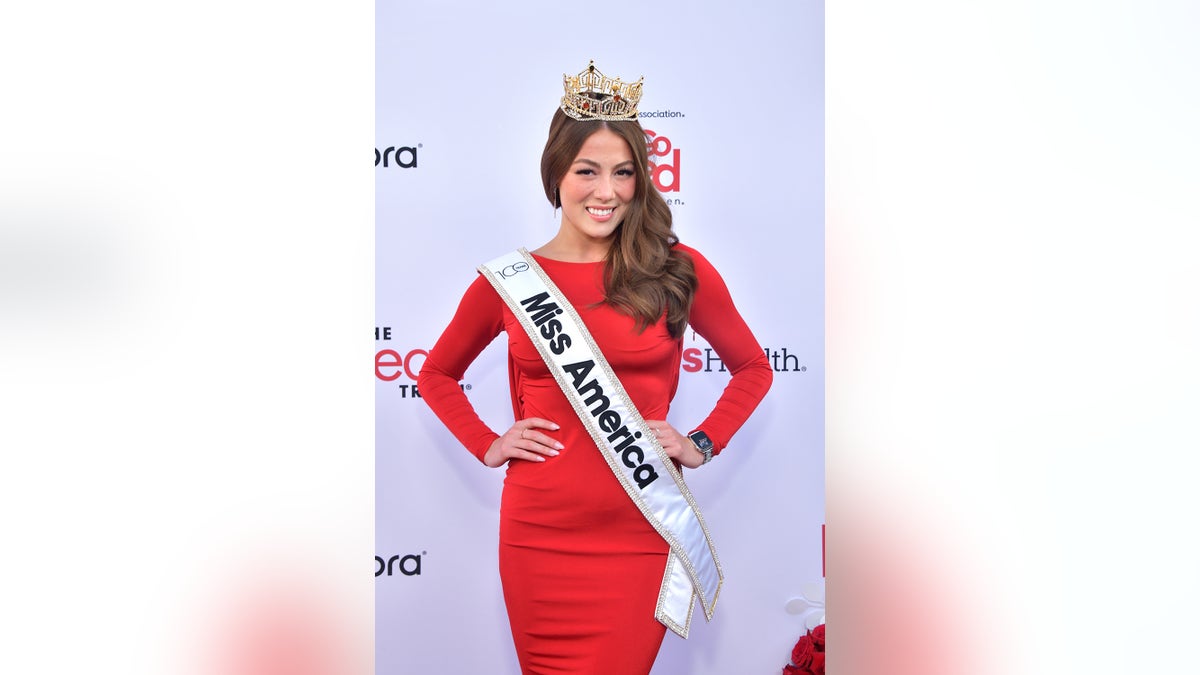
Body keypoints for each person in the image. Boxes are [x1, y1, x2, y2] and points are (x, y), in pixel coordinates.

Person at [417, 61, 773, 674]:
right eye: (587, 171)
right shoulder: (510, 281)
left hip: (637, 529)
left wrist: (702, 442)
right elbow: (435, 375)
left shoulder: (676, 269)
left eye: (623, 172)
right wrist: (489, 442)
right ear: (556, 174)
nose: (605, 191)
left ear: (641, 180)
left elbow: (753, 368)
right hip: (537, 534)